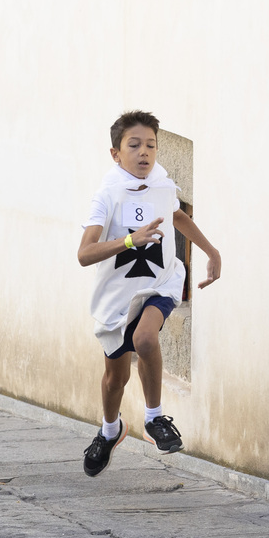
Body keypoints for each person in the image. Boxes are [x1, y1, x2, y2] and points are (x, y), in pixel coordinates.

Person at [77, 110, 221, 476]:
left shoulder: (162, 185)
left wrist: (212, 252)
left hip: (160, 282)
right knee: (115, 379)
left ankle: (155, 418)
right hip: (117, 297)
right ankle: (111, 430)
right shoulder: (105, 196)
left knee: (145, 338)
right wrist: (129, 240)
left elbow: (178, 217)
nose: (144, 153)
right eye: (134, 145)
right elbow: (84, 254)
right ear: (115, 154)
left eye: (151, 145)